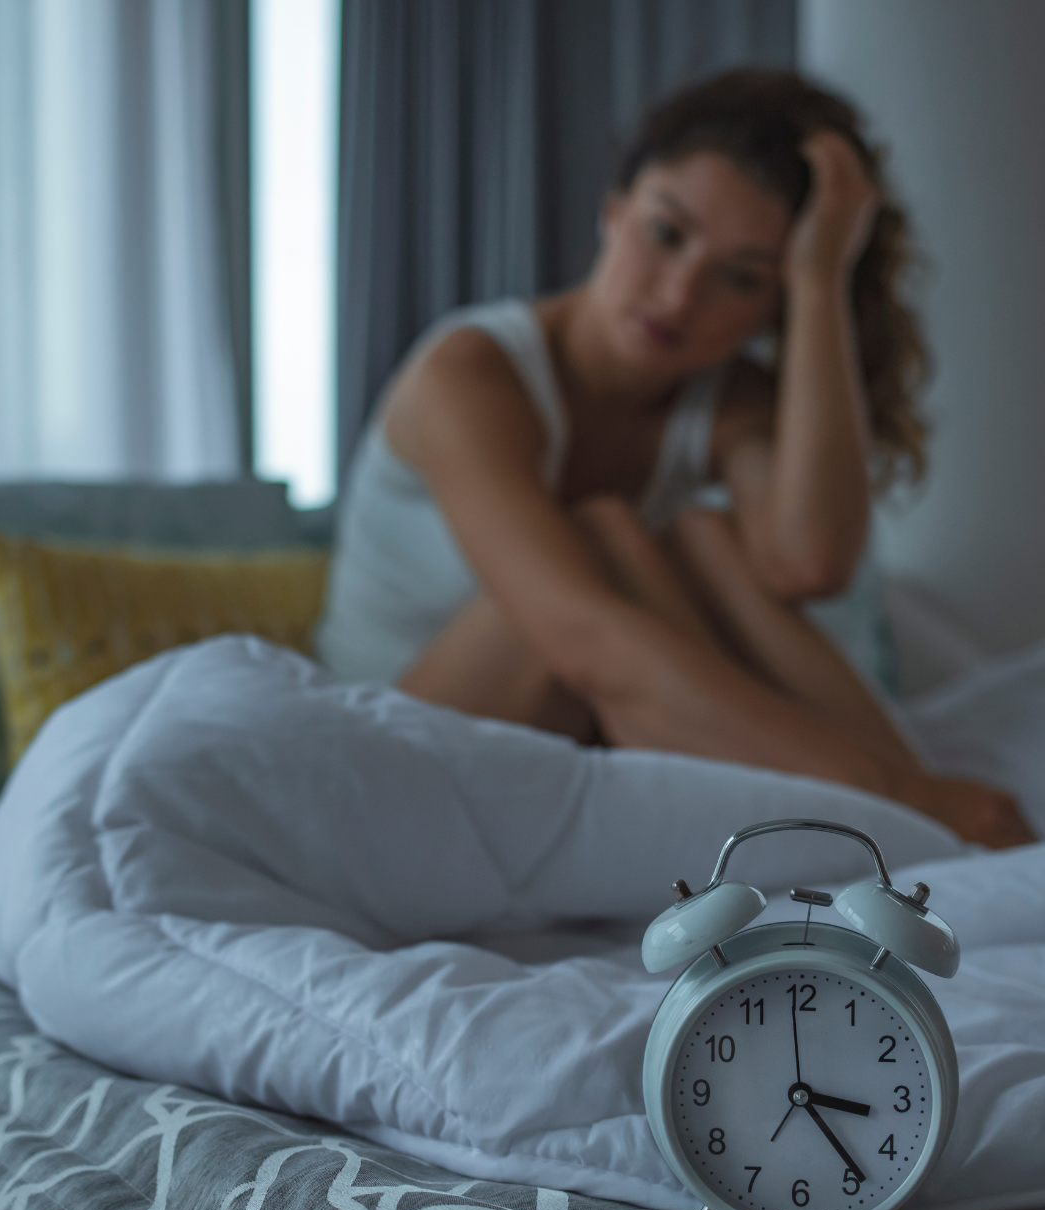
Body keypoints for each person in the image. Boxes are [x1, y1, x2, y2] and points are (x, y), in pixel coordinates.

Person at [322, 69, 1033, 850]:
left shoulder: (725, 401)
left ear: (773, 306)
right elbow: (578, 639)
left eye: (741, 277)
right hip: (388, 750)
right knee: (599, 538)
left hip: (566, 739)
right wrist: (897, 793)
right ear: (614, 210)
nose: (679, 292)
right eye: (666, 233)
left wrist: (820, 277)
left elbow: (809, 563)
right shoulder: (469, 376)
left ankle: (924, 829)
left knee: (700, 536)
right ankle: (909, 819)